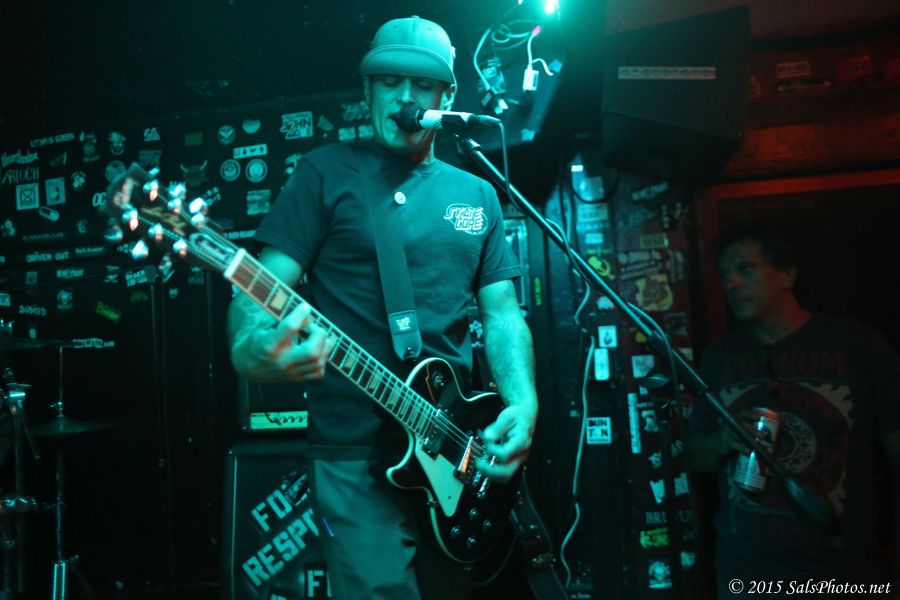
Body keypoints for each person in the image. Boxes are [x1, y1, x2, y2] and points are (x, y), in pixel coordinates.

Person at [227, 15, 538, 600]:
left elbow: (501, 314)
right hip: (355, 453)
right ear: (368, 90)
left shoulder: (478, 194)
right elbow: (255, 288)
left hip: (453, 445)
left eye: (422, 85)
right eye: (389, 81)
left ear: (446, 98)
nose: (404, 97)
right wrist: (250, 351)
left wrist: (523, 404)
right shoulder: (325, 173)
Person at [686, 224, 900, 598]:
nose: (731, 283)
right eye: (724, 274)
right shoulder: (719, 358)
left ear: (787, 274)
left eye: (745, 268)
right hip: (746, 572)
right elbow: (696, 456)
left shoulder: (858, 347)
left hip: (843, 571)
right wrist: (721, 441)